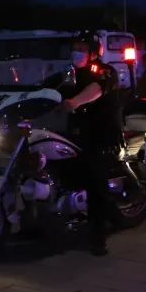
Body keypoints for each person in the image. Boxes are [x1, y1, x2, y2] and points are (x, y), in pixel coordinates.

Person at [59, 32, 124, 256]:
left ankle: (98, 237)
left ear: (94, 53)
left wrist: (75, 101)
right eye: (74, 48)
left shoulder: (106, 71)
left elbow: (95, 90)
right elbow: (48, 88)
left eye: (81, 49)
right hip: (76, 135)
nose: (76, 52)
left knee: (95, 183)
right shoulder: (70, 74)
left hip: (102, 137)